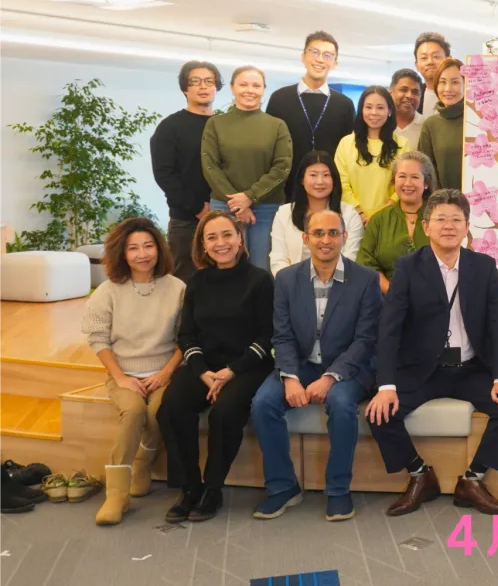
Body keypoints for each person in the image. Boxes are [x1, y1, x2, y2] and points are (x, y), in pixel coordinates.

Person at [367, 188, 498, 515]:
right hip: (423, 370)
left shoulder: (483, 267)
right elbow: (389, 329)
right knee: (379, 413)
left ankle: (472, 480)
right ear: (426, 226)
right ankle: (419, 475)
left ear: (467, 226)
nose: (449, 226)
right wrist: (386, 386)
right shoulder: (408, 267)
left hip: (469, 368)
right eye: (441, 219)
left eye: (456, 219)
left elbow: (497, 325)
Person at [251, 209, 381, 522]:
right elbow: (282, 335)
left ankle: (338, 489)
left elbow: (365, 340)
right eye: (318, 233)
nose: (326, 240)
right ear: (305, 238)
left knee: (340, 403)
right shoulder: (286, 279)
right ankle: (283, 486)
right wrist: (290, 377)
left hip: (348, 367)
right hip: (301, 364)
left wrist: (332, 377)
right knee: (263, 403)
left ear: (344, 237)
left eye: (333, 233)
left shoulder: (366, 279)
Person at [157, 210, 275, 523]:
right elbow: (186, 334)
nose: (221, 243)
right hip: (205, 366)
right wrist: (202, 372)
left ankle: (213, 488)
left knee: (225, 412)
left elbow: (267, 336)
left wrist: (232, 370)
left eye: (227, 235)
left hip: (247, 366)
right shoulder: (196, 282)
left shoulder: (260, 280)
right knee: (172, 405)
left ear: (240, 239)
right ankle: (190, 487)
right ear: (203, 245)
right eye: (212, 237)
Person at [82, 218, 187, 525]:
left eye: (148, 246)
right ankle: (117, 495)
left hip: (165, 372)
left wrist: (166, 373)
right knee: (133, 412)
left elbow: (186, 338)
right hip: (124, 374)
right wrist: (121, 378)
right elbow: (97, 339)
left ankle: (143, 461)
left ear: (159, 248)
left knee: (158, 412)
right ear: (122, 253)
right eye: (133, 248)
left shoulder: (177, 287)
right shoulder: (108, 291)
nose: (143, 254)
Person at [200, 65, 293, 271]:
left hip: (266, 207)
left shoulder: (277, 125)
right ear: (232, 87)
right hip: (225, 205)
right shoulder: (215, 124)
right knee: (224, 266)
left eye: (256, 85)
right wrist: (237, 203)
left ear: (263, 89)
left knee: (262, 268)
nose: (250, 90)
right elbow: (210, 166)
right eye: (243, 84)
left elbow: (282, 167)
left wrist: (250, 196)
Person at [265, 31, 356, 201]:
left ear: (335, 63)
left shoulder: (344, 104)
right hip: (286, 190)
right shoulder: (279, 99)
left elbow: (348, 153)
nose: (320, 59)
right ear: (303, 56)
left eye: (327, 55)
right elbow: (269, 148)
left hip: (330, 191)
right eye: (314, 52)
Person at [151, 61, 220, 283]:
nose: (203, 86)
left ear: (216, 87)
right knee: (185, 283)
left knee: (222, 280)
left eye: (209, 81)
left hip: (224, 215)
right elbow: (164, 174)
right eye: (195, 81)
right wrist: (198, 208)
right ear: (185, 89)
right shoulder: (170, 127)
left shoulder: (225, 125)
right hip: (186, 221)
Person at [269, 150, 363, 276]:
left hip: (339, 283)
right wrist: (291, 283)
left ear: (334, 179)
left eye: (326, 175)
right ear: (302, 179)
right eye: (313, 175)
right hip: (293, 284)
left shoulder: (349, 215)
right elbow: (278, 259)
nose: (320, 182)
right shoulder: (284, 213)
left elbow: (351, 258)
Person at [358, 152, 436, 294]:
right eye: (402, 176)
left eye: (415, 177)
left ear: (426, 183)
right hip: (388, 299)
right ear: (394, 181)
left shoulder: (439, 217)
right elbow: (366, 263)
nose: (408, 183)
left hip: (434, 298)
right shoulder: (379, 219)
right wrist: (394, 293)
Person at [336, 86, 408, 226]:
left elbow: (404, 184)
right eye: (368, 107)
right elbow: (341, 183)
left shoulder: (402, 144)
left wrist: (380, 216)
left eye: (380, 108)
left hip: (390, 218)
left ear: (389, 111)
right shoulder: (346, 143)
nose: (374, 112)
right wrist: (359, 213)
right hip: (352, 219)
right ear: (361, 110)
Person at [418, 58, 466, 191]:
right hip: (442, 201)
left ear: (466, 85)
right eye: (442, 82)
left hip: (480, 200)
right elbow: (425, 172)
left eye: (455, 82)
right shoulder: (430, 125)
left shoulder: (477, 122)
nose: (448, 89)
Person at [413, 31, 450, 115]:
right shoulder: (413, 96)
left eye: (436, 56)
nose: (430, 62)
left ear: (448, 60)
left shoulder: (463, 95)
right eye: (424, 58)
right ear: (416, 65)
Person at [390, 69, 426, 148]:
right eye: (403, 90)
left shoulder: (427, 126)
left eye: (415, 92)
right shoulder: (379, 123)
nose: (409, 96)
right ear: (390, 92)